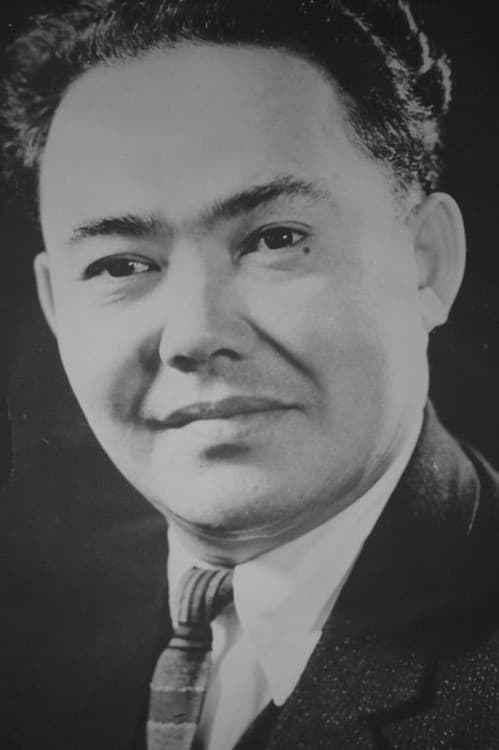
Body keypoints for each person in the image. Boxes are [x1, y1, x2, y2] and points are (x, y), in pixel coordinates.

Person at [2, 0, 499, 748]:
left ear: (426, 261)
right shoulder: (31, 640)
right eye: (121, 265)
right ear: (55, 307)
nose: (195, 335)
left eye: (275, 239)